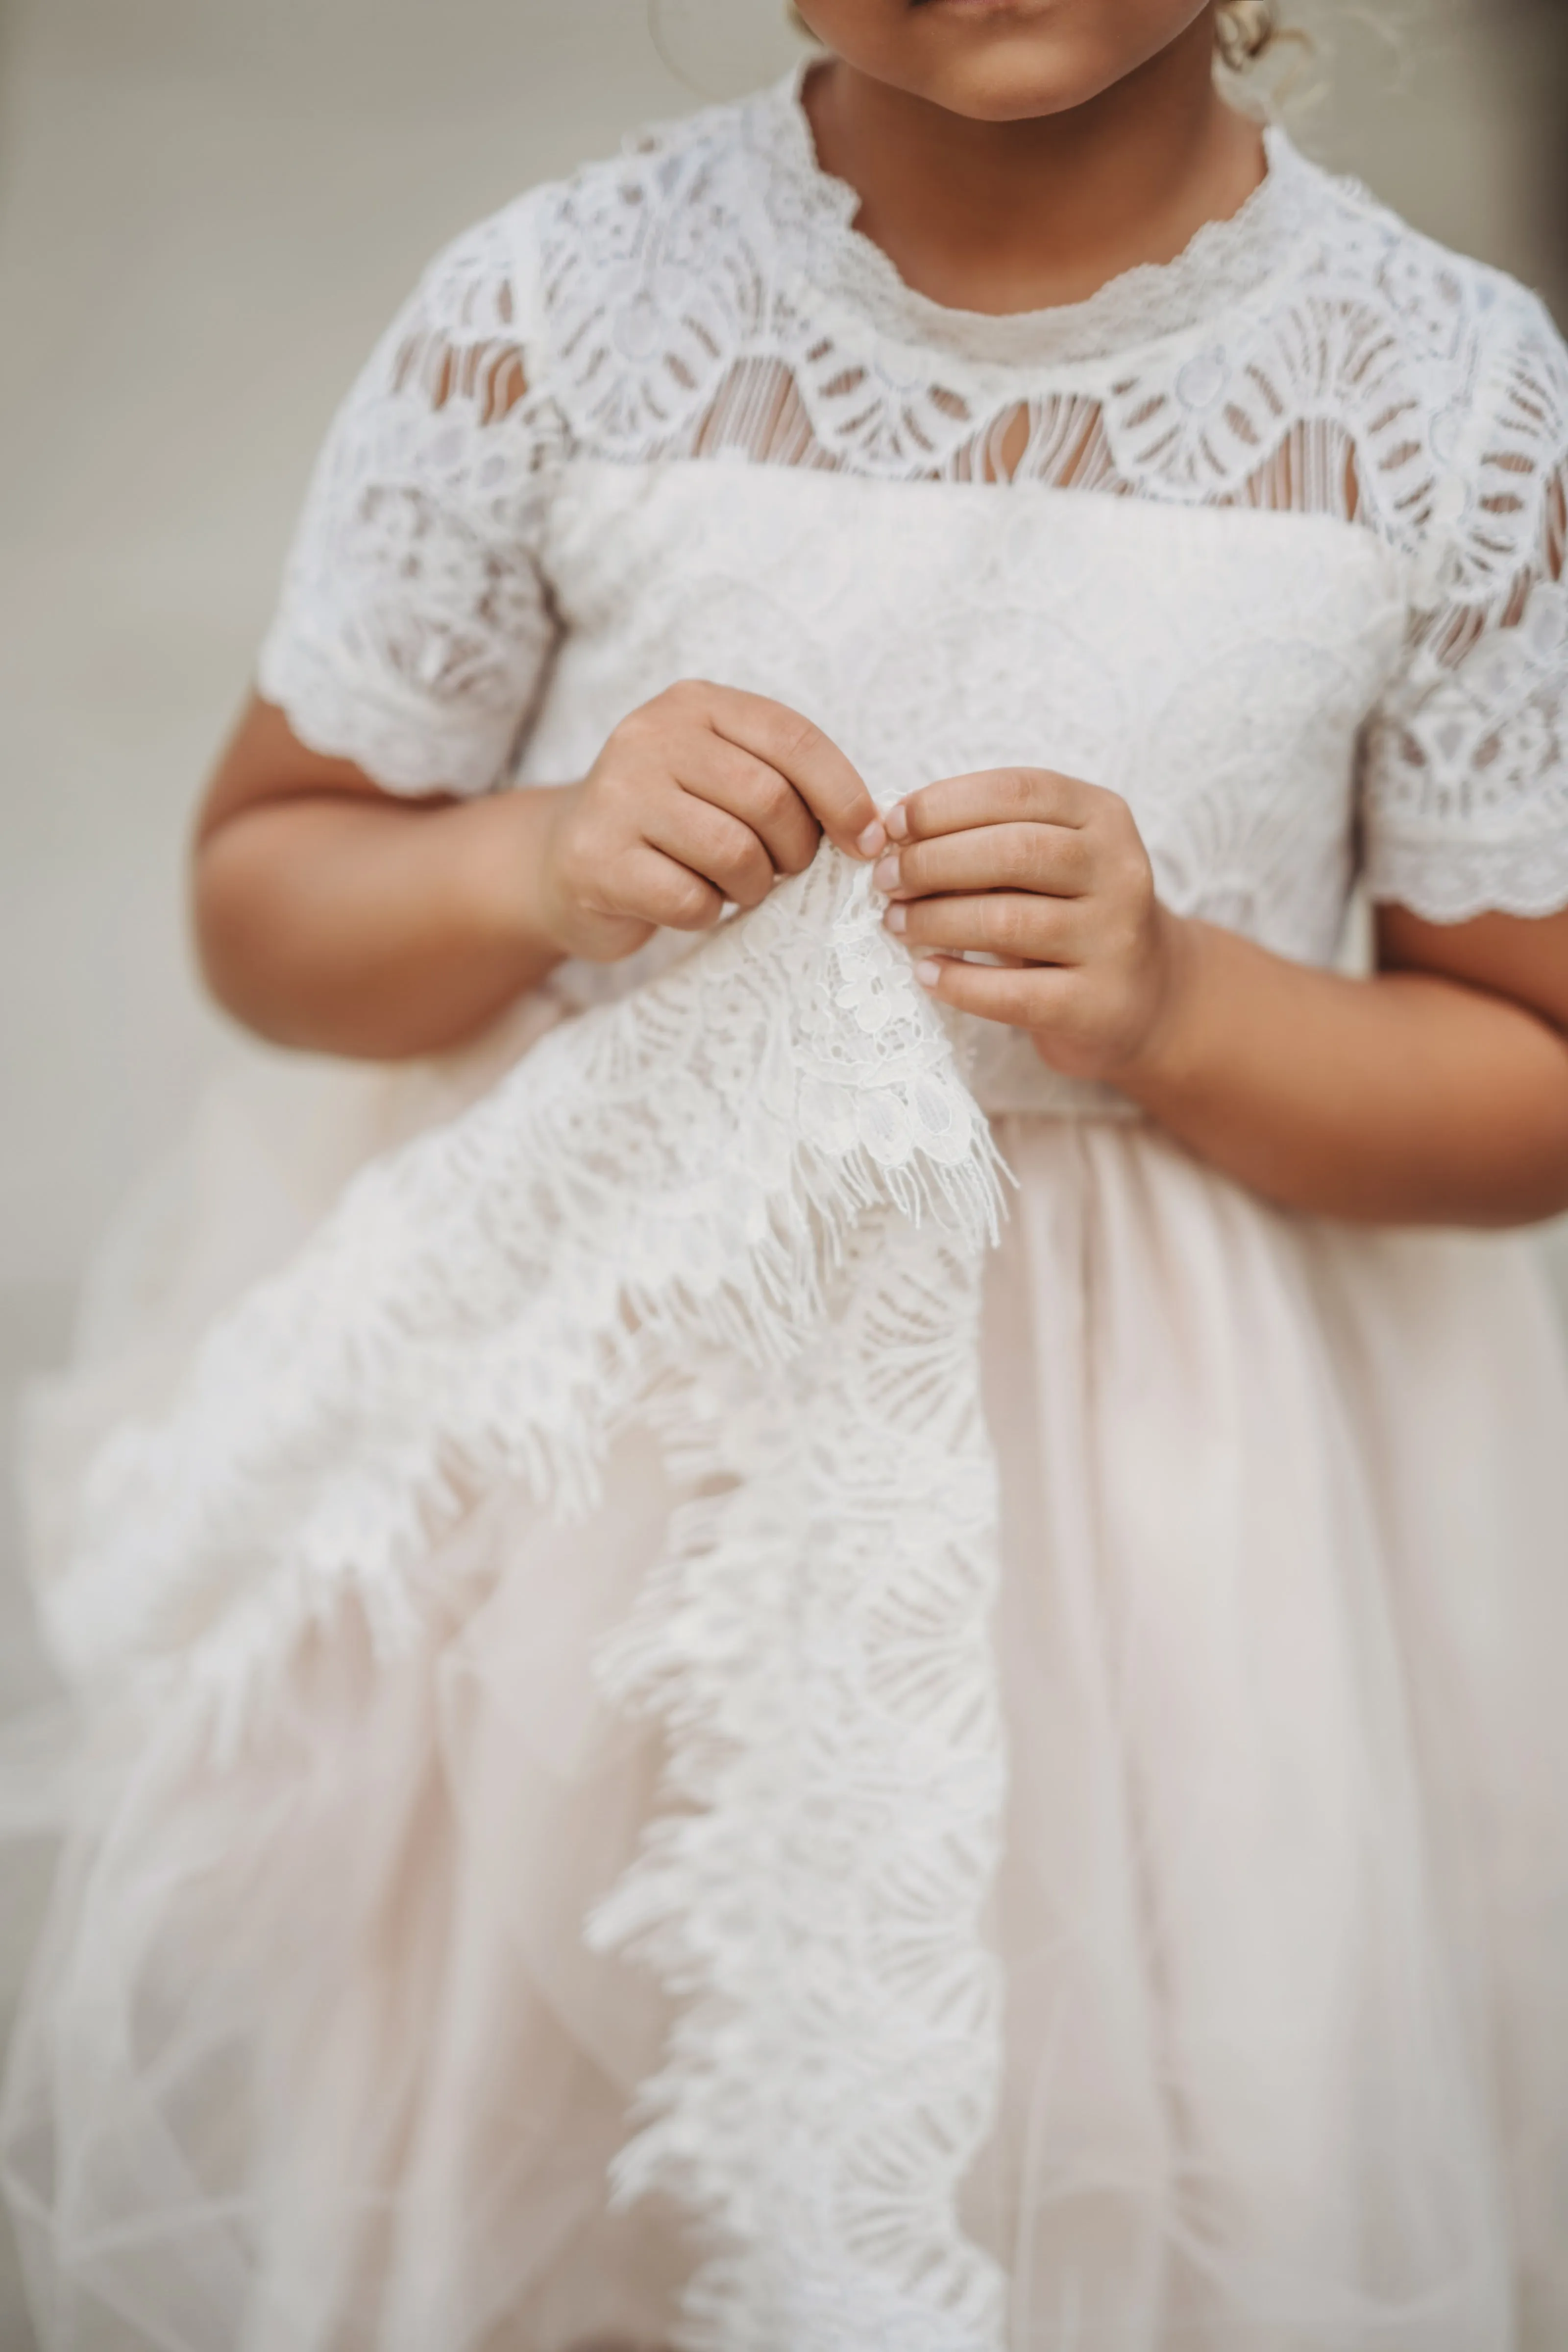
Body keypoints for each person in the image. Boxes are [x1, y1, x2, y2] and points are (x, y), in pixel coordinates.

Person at [6, 2, 1568, 2345]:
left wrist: (1179, 1005)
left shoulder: (1444, 402)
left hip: (1169, 1575)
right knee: (579, 2167)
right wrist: (534, 860)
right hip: (604, 1538)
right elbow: (269, 897)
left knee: (1118, 2198)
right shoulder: (554, 313)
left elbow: (1522, 1074)